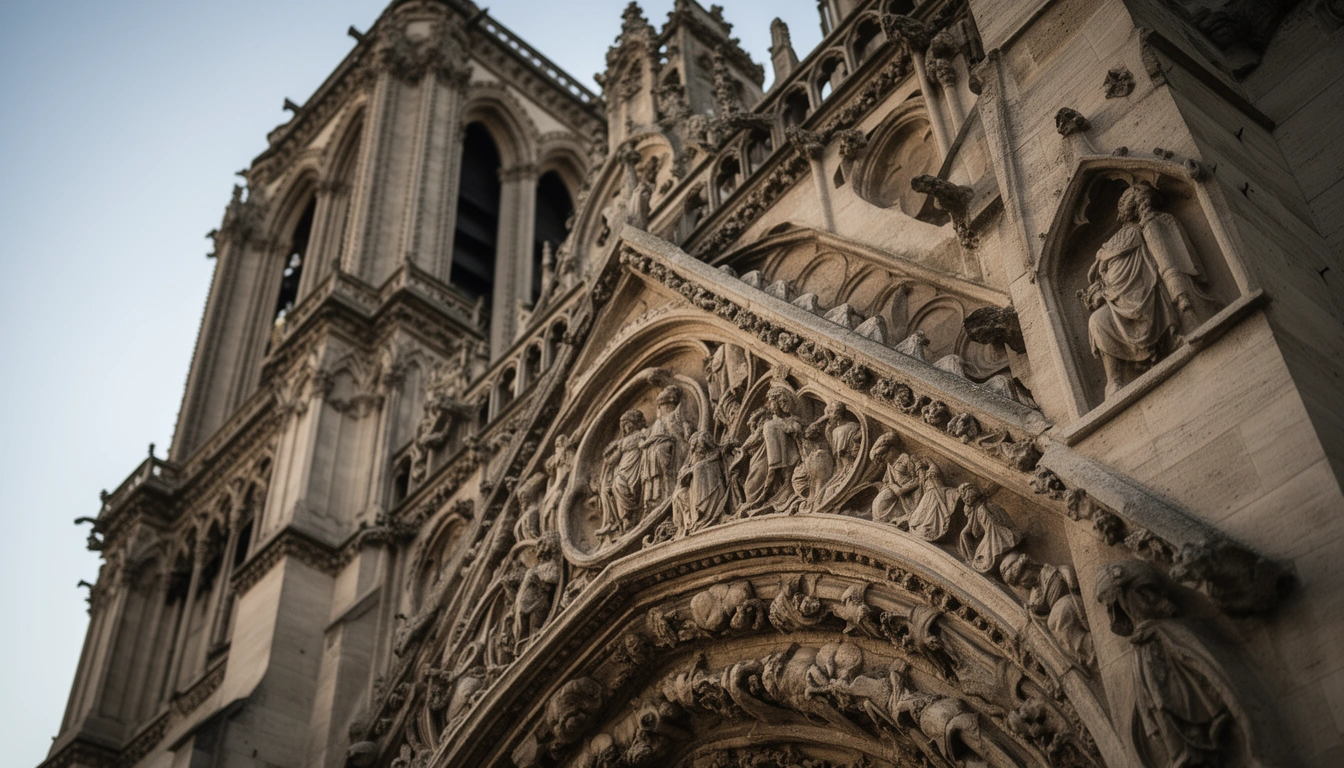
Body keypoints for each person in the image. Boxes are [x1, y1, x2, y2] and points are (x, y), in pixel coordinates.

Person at [1083, 181, 1205, 397]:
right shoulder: (1116, 239)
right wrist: (1099, 291)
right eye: (1135, 202)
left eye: (1140, 201)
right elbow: (1100, 271)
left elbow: (1166, 261)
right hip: (1116, 299)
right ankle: (1114, 381)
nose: (1138, 205)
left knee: (1158, 292)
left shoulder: (1153, 225)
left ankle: (1172, 337)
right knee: (1097, 321)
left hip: (1146, 291)